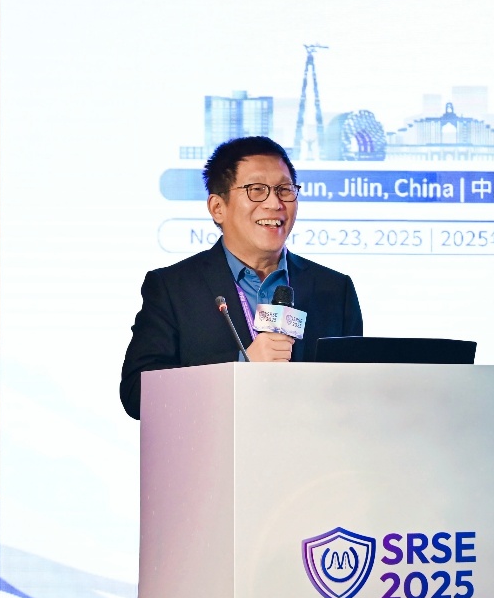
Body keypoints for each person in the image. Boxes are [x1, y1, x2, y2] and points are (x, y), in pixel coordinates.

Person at [119, 136, 363, 419]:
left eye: (284, 189)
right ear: (217, 208)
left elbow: (356, 393)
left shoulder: (335, 289)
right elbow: (137, 394)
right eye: (256, 190)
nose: (274, 203)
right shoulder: (173, 289)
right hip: (214, 446)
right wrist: (239, 368)